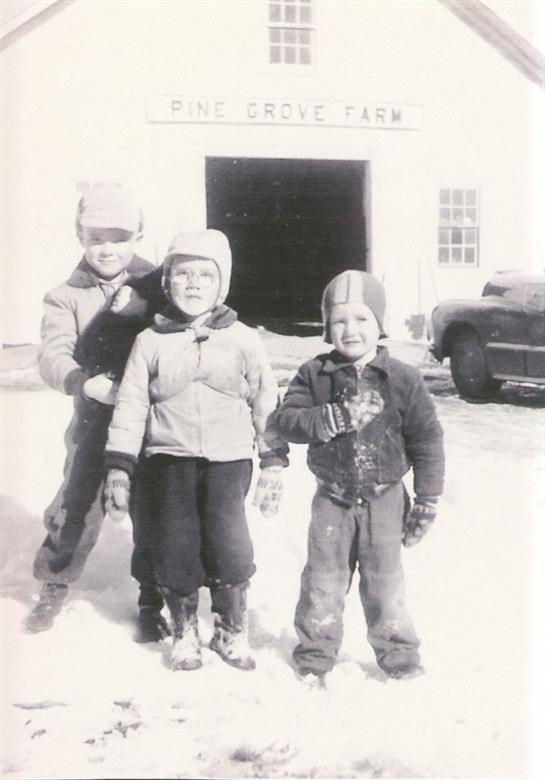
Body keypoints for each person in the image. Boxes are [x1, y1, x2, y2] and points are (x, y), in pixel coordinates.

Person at [102, 229, 288, 672]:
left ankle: (229, 629)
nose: (193, 284)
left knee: (231, 545)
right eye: (182, 274)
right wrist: (119, 466)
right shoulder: (150, 341)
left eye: (205, 275)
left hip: (229, 461)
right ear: (167, 282)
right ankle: (184, 630)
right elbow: (131, 404)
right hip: (169, 461)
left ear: (221, 285)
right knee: (176, 546)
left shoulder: (243, 338)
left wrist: (273, 460)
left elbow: (265, 399)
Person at [273, 270, 445, 686]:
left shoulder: (403, 379)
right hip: (332, 497)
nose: (351, 330)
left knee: (385, 580)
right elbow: (286, 420)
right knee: (323, 578)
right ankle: (315, 654)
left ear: (380, 323)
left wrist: (427, 498)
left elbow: (426, 439)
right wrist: (326, 418)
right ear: (327, 327)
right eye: (339, 321)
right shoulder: (315, 374)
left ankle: (398, 653)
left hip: (386, 497)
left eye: (362, 319)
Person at [26, 186, 166, 642]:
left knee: (154, 505)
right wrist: (82, 382)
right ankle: (54, 582)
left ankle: (152, 597)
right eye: (97, 238)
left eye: (119, 237)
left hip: (152, 418)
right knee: (76, 504)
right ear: (80, 237)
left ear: (139, 236)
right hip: (94, 416)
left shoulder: (160, 284)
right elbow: (53, 354)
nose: (108, 248)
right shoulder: (64, 296)